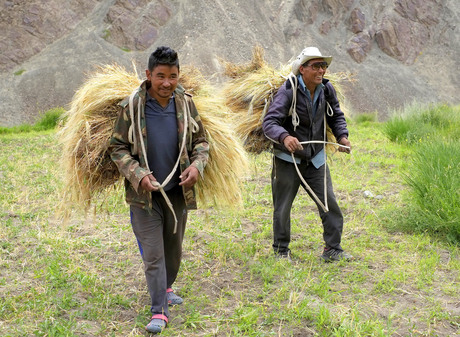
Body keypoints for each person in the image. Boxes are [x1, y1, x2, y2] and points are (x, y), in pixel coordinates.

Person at [109, 46, 209, 333]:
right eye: (161, 76)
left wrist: (196, 167)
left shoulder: (186, 104)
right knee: (153, 254)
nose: (167, 83)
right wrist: (138, 175)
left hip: (177, 192)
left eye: (173, 76)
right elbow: (117, 147)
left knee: (173, 251)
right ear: (149, 74)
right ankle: (158, 311)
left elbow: (202, 142)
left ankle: (165, 288)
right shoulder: (132, 106)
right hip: (144, 197)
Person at [262, 46, 353, 262]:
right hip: (288, 160)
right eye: (316, 66)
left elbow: (336, 116)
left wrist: (342, 137)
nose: (321, 70)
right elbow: (269, 122)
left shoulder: (326, 89)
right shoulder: (289, 90)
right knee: (282, 207)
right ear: (302, 69)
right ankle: (281, 251)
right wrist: (285, 137)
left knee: (328, 202)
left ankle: (333, 249)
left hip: (316, 158)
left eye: (324, 66)